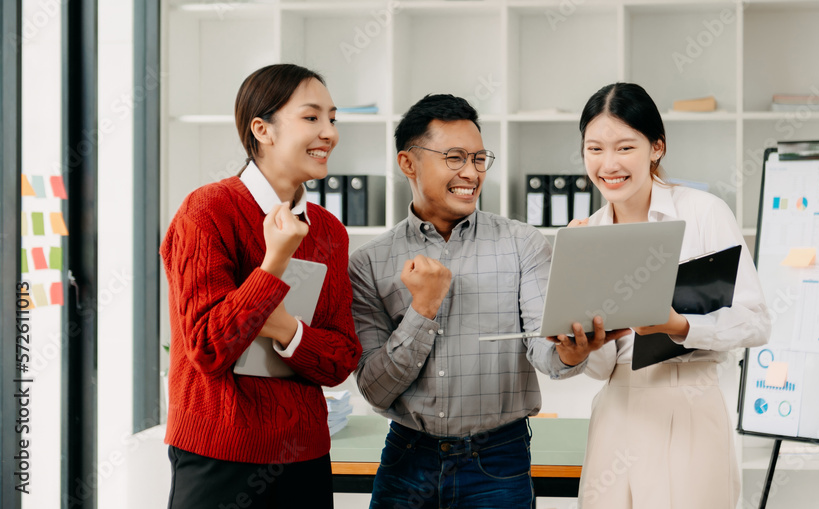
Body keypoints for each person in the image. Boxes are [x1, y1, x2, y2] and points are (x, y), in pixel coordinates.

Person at [349, 94, 625, 509]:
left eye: (479, 159)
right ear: (408, 163)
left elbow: (547, 356)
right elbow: (375, 389)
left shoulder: (522, 244)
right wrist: (422, 309)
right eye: (455, 157)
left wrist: (571, 353)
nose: (471, 173)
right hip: (407, 460)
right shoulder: (369, 263)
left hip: (497, 461)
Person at [160, 64, 362, 509]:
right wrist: (273, 263)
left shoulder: (329, 231)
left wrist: (287, 329)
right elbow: (209, 348)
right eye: (311, 118)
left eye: (333, 119)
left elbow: (341, 359)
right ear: (262, 129)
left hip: (305, 454)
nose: (329, 132)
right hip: (219, 453)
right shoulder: (207, 210)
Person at [565, 83, 771, 508]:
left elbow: (756, 321)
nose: (608, 164)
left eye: (625, 147)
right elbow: (601, 368)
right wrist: (586, 343)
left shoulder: (703, 213)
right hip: (617, 408)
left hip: (689, 399)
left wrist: (680, 325)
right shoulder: (587, 235)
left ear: (656, 147)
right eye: (595, 149)